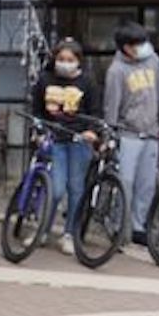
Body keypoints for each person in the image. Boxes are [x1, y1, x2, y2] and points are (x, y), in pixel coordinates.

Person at [103, 21, 159, 246]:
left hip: (151, 133)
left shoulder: (154, 61)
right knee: (125, 182)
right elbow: (112, 104)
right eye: (137, 44)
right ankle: (118, 224)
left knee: (146, 183)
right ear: (125, 47)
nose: (143, 47)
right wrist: (110, 133)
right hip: (127, 133)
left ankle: (140, 226)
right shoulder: (116, 70)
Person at [32, 38, 100, 255]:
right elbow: (36, 110)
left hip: (79, 141)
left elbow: (95, 112)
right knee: (56, 188)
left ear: (78, 61)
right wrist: (38, 131)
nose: (65, 63)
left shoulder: (88, 82)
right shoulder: (44, 79)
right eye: (61, 59)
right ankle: (43, 230)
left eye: (70, 60)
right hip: (55, 140)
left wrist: (92, 132)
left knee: (76, 188)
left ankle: (69, 233)